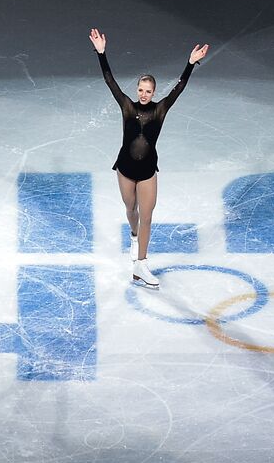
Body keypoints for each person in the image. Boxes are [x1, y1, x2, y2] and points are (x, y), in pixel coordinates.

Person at [89, 28, 208, 288]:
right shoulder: (127, 106)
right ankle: (133, 236)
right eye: (141, 90)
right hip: (125, 169)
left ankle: (141, 264)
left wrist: (190, 63)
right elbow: (110, 81)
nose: (144, 94)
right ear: (137, 90)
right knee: (130, 210)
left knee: (147, 216)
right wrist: (101, 53)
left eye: (148, 91)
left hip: (147, 172)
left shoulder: (160, 110)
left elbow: (179, 89)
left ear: (153, 93)